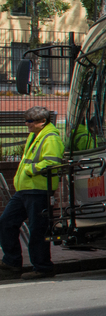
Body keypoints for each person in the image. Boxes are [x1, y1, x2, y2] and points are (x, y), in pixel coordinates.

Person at [0, 107, 64, 280]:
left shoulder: (51, 138)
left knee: (37, 229)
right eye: (26, 120)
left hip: (38, 189)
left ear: (42, 122)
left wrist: (29, 170)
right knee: (6, 221)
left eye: (30, 121)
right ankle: (12, 262)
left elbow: (52, 161)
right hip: (25, 190)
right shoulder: (35, 135)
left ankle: (43, 267)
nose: (26, 124)